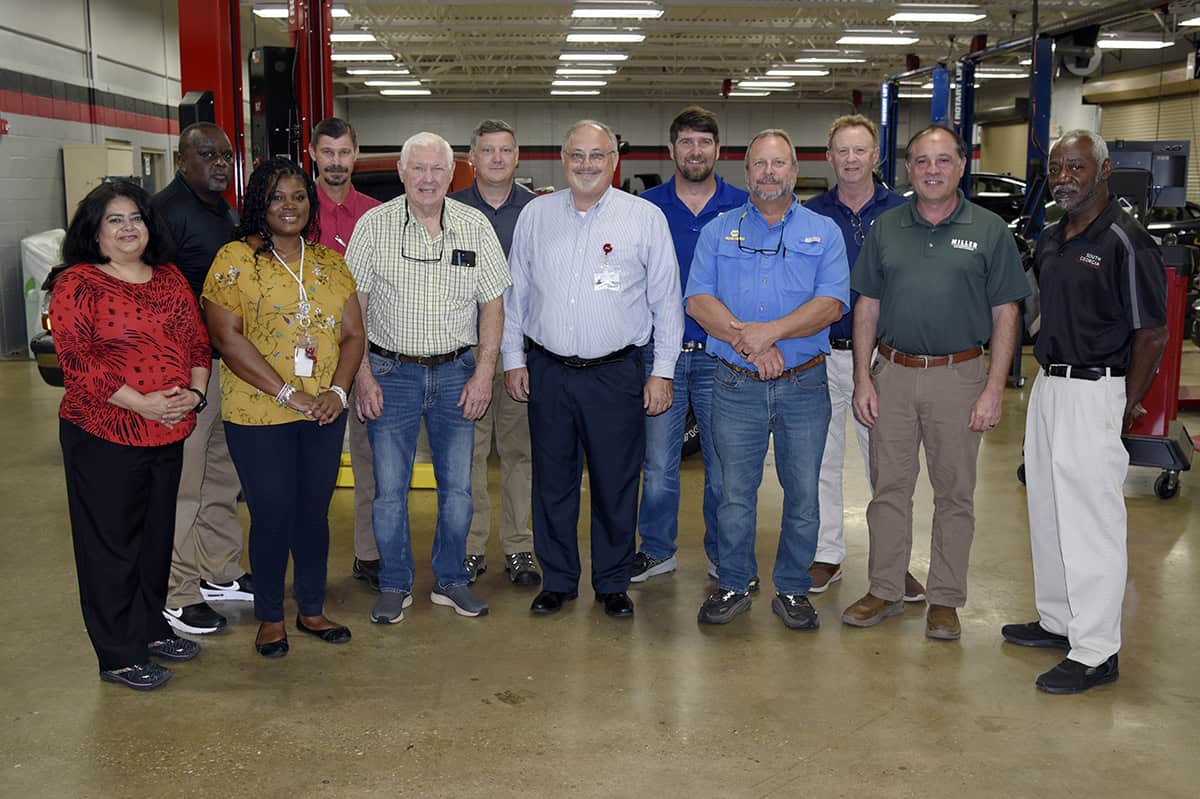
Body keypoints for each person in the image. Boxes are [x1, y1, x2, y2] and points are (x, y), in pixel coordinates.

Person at [842, 124, 1029, 640]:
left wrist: (994, 386)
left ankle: (945, 598)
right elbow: (867, 307)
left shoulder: (990, 230)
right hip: (893, 374)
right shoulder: (888, 228)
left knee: (955, 494)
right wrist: (863, 377)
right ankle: (885, 587)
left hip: (960, 376)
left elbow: (1005, 312)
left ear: (961, 166)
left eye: (942, 160)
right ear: (907, 168)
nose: (931, 170)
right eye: (921, 161)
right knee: (888, 490)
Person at [1002, 130, 1167, 693]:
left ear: (1103, 169)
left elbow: (1153, 333)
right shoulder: (1053, 238)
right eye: (1056, 168)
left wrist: (1124, 403)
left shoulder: (1126, 239)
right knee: (1048, 511)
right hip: (1050, 387)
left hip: (1098, 389)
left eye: (1076, 166)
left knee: (1091, 524)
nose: (1064, 177)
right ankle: (1058, 620)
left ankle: (1097, 650)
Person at [502, 119, 683, 619]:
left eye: (597, 155)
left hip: (616, 374)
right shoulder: (536, 215)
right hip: (548, 371)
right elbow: (514, 293)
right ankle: (558, 579)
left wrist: (662, 370)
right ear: (563, 159)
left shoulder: (643, 219)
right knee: (553, 482)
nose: (586, 165)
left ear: (613, 160)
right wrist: (513, 359)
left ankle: (611, 582)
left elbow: (667, 301)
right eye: (577, 155)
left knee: (615, 482)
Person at [686, 129, 849, 629]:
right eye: (759, 164)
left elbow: (831, 304)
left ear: (795, 171)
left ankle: (795, 589)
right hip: (734, 384)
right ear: (747, 171)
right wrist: (747, 343)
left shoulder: (824, 232)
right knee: (733, 492)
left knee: (803, 494)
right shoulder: (719, 231)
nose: (769, 173)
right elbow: (698, 300)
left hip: (804, 385)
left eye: (779, 164)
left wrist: (770, 335)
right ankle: (733, 582)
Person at [347, 131, 510, 624]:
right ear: (401, 172)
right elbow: (353, 308)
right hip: (391, 374)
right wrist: (363, 378)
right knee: (389, 490)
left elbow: (493, 304)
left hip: (458, 373)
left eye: (437, 169)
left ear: (452, 174)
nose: (427, 179)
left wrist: (484, 372)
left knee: (459, 490)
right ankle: (394, 584)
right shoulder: (373, 227)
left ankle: (451, 580)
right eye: (417, 168)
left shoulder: (474, 226)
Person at [204, 157, 364, 658]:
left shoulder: (330, 263)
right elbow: (227, 339)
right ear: (260, 204)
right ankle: (271, 616)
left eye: (298, 196)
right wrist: (286, 394)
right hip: (259, 413)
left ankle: (311, 608)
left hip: (322, 412)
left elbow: (353, 334)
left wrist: (336, 393)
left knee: (313, 514)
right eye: (277, 197)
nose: (289, 206)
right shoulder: (236, 260)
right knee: (273, 512)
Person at [53, 180, 210, 690]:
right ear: (94, 232)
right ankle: (118, 653)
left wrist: (195, 393)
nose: (127, 228)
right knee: (110, 545)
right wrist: (142, 403)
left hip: (167, 431)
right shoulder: (77, 283)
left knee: (153, 539)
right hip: (103, 431)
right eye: (114, 220)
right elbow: (77, 362)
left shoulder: (168, 279)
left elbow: (197, 344)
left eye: (135, 218)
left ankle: (148, 627)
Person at [804, 115, 924, 601]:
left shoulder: (906, 214)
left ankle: (893, 565)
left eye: (860, 151)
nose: (851, 160)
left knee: (888, 467)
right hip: (821, 356)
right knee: (819, 462)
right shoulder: (809, 215)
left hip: (882, 362)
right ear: (829, 158)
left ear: (876, 156)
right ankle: (826, 554)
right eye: (842, 151)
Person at [630, 106, 748, 586]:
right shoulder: (645, 207)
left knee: (724, 465)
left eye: (704, 143)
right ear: (672, 149)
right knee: (658, 463)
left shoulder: (743, 206)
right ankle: (657, 550)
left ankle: (722, 554)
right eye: (686, 142)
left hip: (722, 356)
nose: (695, 151)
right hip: (662, 356)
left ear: (718, 150)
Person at [152, 122, 251, 636]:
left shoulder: (220, 208)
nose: (218, 163)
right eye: (206, 154)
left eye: (225, 155)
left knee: (221, 475)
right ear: (181, 159)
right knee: (185, 485)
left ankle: (220, 570)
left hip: (223, 366)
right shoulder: (166, 215)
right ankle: (178, 591)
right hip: (187, 372)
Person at [449, 119, 540, 588]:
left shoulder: (539, 213)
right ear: (473, 158)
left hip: (519, 355)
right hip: (466, 355)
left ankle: (520, 547)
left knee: (519, 454)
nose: (498, 159)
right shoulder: (451, 210)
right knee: (469, 454)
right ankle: (470, 547)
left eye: (506, 150)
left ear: (517, 157)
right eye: (489, 151)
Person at [308, 117, 384, 591]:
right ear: (312, 154)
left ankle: (368, 554)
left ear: (356, 154)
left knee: (370, 462)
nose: (336, 162)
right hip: (304, 361)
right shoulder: (295, 211)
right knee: (307, 467)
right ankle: (305, 556)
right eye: (327, 152)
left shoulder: (376, 215)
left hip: (363, 360)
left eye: (344, 152)